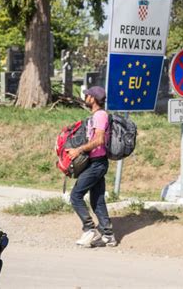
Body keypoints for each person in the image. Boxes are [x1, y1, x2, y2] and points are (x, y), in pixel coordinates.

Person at [66, 86, 117, 248]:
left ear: (93, 99)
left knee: (76, 195)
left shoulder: (100, 115)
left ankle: (89, 229)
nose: (85, 97)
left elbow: (99, 140)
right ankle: (108, 236)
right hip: (96, 162)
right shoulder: (96, 115)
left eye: (87, 95)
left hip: (97, 163)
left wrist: (78, 150)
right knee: (97, 200)